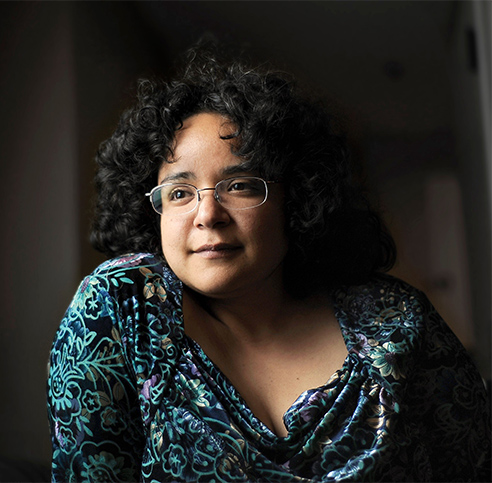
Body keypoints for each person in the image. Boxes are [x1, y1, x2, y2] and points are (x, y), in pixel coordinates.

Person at [46, 44, 491, 482]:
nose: (207, 215)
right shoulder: (123, 310)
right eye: (179, 193)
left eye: (239, 185)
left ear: (294, 199)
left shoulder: (399, 324)